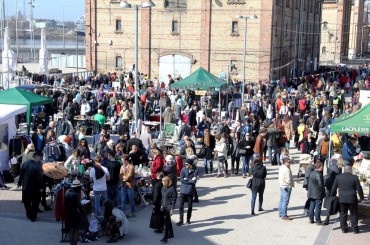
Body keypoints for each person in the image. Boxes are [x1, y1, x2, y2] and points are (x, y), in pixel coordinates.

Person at [330, 166, 364, 234]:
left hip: (342, 199)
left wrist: (332, 195)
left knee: (343, 214)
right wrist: (361, 197)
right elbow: (359, 188)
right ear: (350, 170)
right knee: (353, 214)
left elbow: (333, 187)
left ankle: (344, 229)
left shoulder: (338, 177)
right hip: (352, 199)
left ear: (344, 170)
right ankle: (354, 229)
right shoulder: (354, 177)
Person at [17, 152, 43, 222]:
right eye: (39, 158)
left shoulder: (25, 164)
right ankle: (33, 217)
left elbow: (21, 174)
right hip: (35, 188)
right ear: (36, 157)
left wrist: (19, 183)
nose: (39, 159)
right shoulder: (38, 166)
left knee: (27, 202)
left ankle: (29, 214)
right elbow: (40, 177)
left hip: (26, 187)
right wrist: (41, 187)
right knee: (35, 202)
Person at [177, 158, 198, 226]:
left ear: (190, 164)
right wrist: (190, 180)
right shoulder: (183, 169)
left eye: (187, 164)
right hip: (183, 190)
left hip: (190, 190)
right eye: (185, 164)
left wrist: (187, 180)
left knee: (190, 206)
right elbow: (181, 180)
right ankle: (181, 219)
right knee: (181, 205)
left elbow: (194, 181)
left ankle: (188, 219)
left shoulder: (195, 170)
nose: (185, 165)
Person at [64, 180, 83, 245]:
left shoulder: (67, 192)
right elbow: (79, 206)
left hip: (69, 213)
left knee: (71, 230)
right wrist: (82, 211)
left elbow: (65, 204)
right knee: (76, 230)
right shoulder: (76, 194)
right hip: (75, 213)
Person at [307, 161, 326, 225]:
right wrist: (323, 191)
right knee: (318, 207)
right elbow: (321, 185)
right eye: (322, 166)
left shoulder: (311, 173)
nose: (323, 168)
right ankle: (318, 220)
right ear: (320, 167)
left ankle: (311, 218)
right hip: (318, 193)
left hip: (311, 192)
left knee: (311, 206)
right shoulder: (319, 174)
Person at [160, 176, 177, 244]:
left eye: (163, 181)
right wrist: (161, 205)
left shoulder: (172, 189)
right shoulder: (163, 187)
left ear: (166, 182)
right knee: (168, 221)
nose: (162, 182)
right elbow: (163, 198)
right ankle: (171, 234)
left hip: (168, 207)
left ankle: (165, 237)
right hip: (164, 206)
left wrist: (172, 209)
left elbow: (173, 200)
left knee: (166, 222)